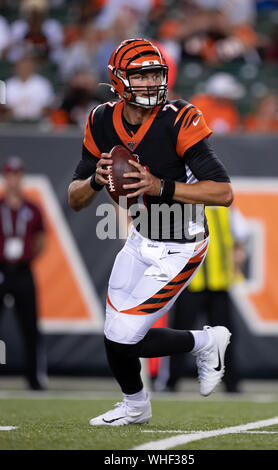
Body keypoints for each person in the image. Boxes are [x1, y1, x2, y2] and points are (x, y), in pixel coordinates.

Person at [68, 38, 234, 426]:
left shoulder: (178, 118)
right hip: (141, 239)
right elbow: (75, 199)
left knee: (126, 335)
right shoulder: (100, 120)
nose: (151, 83)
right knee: (114, 334)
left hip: (182, 245)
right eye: (141, 76)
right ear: (119, 80)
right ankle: (136, 406)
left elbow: (224, 193)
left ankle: (208, 341)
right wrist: (94, 179)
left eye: (156, 74)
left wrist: (161, 186)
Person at [155, 206, 249, 394]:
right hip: (191, 283)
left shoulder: (226, 210)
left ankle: (231, 383)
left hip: (219, 283)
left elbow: (241, 234)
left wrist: (238, 252)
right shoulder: (182, 209)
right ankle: (170, 381)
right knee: (178, 333)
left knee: (226, 336)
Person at [0, 156, 47, 390]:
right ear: (5, 177)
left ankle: (35, 378)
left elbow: (40, 240)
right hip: (1, 269)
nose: (14, 179)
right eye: (10, 174)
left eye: (18, 175)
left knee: (30, 326)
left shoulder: (32, 209)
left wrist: (26, 256)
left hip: (23, 270)